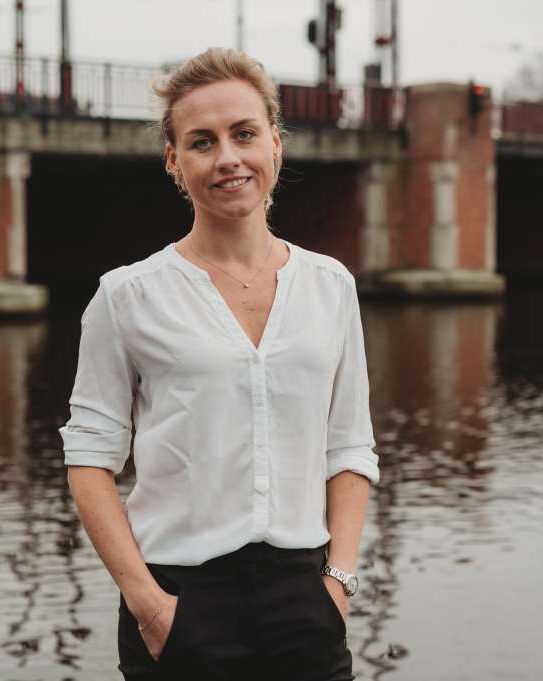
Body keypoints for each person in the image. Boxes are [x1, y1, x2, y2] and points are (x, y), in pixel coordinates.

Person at [59, 47, 380, 681]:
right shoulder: (127, 295)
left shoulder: (331, 285)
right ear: (175, 162)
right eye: (202, 142)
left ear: (276, 144)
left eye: (244, 134)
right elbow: (91, 459)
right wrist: (147, 603)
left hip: (305, 600)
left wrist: (338, 584)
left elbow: (349, 447)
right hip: (179, 600)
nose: (228, 158)